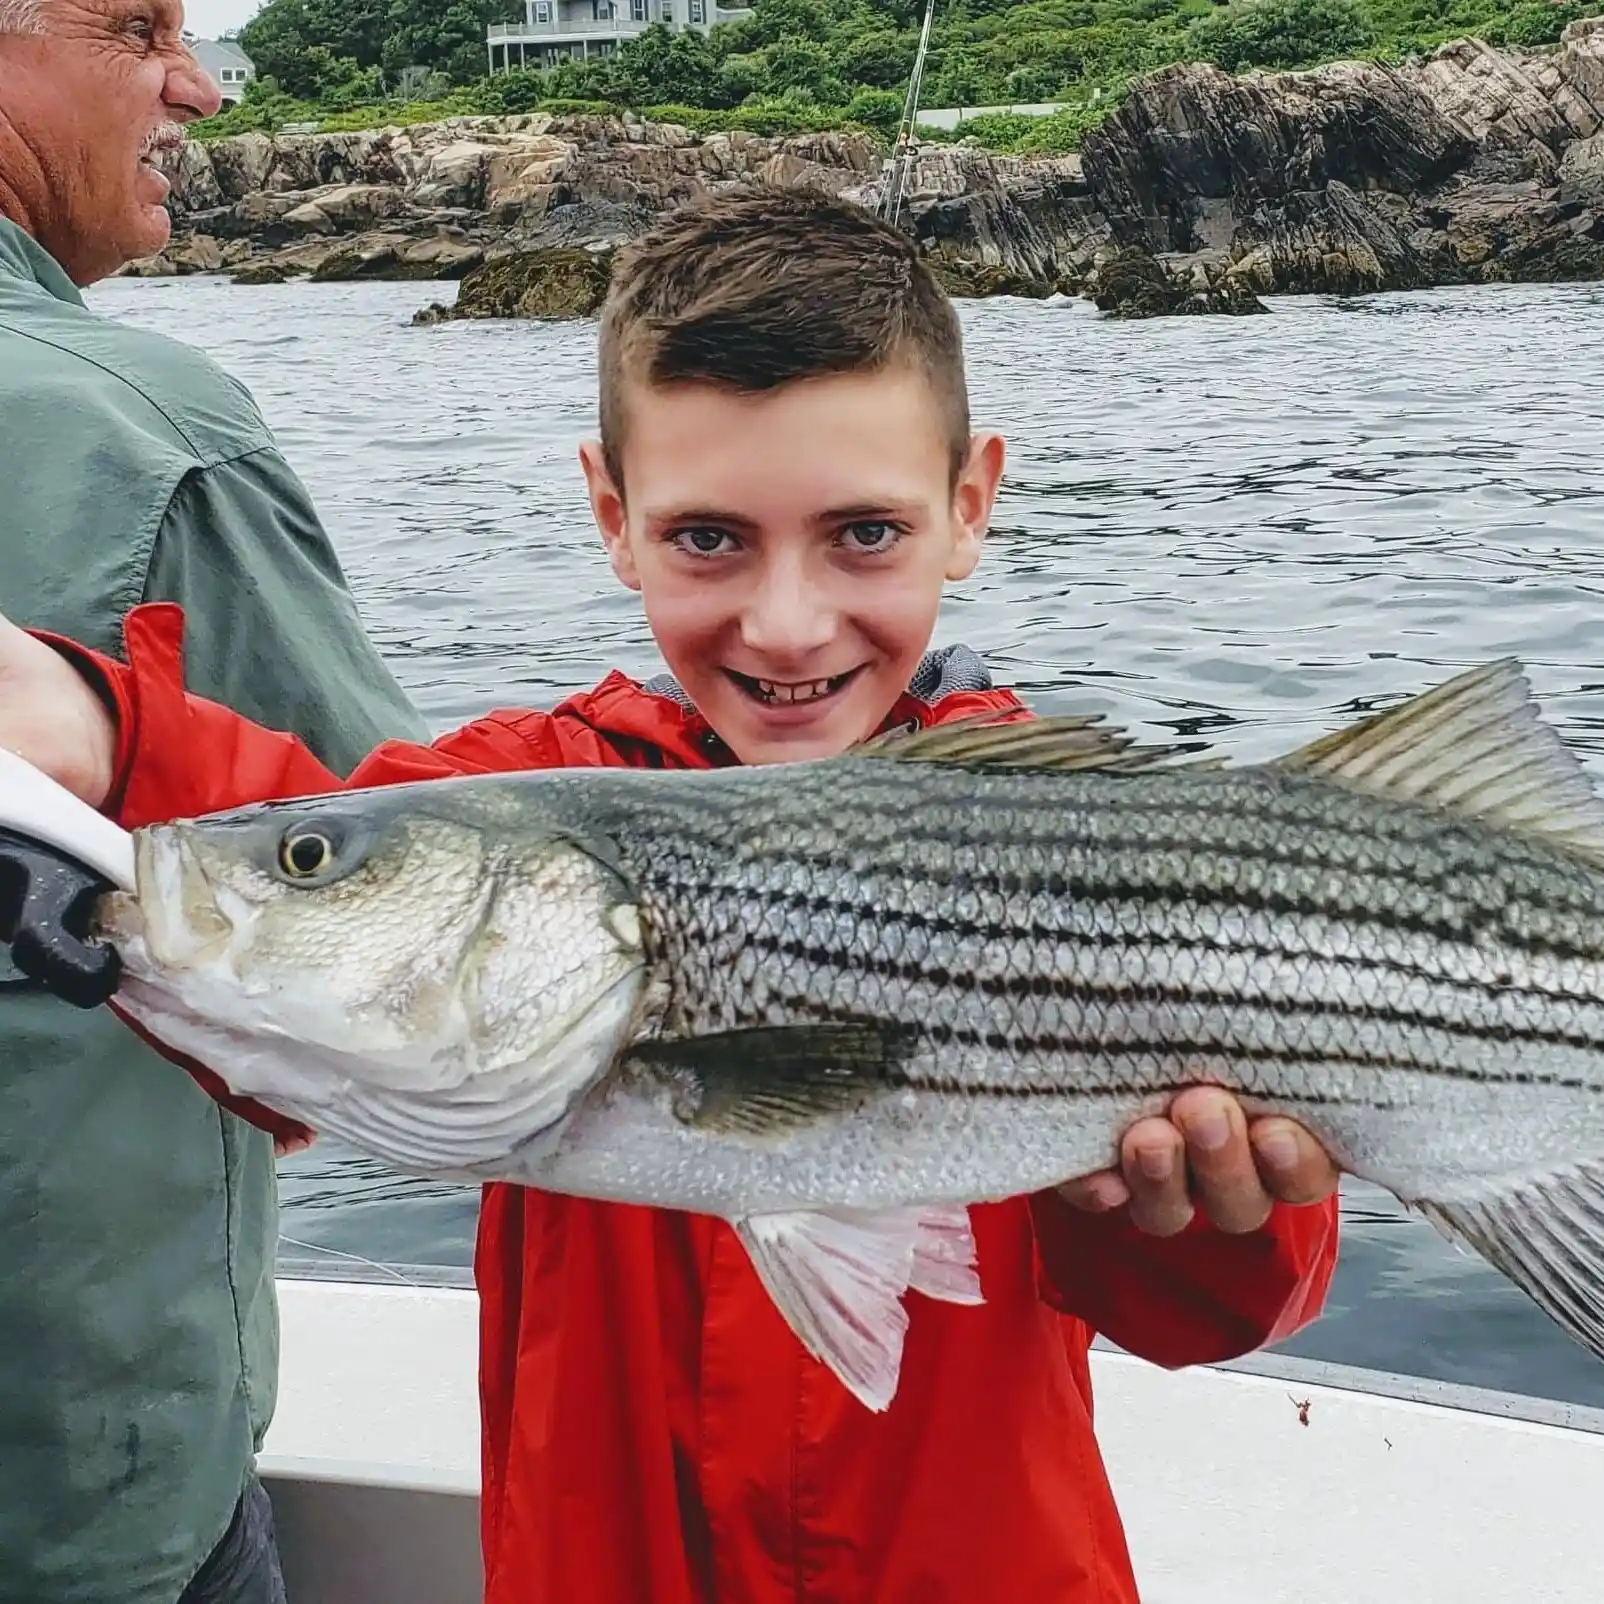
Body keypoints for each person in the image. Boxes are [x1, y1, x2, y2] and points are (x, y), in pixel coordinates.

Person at [0, 188, 1342, 1603]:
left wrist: (1202, 1216)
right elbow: (324, 891)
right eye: (710, 538)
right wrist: (98, 728)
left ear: (970, 505)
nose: (787, 621)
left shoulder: (1076, 831)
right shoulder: (539, 785)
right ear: (612, 516)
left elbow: (1217, 1311)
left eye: (863, 535)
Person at [0, 2, 427, 1600]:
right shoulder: (139, 428)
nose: (198, 81)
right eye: (137, 26)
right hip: (79, 1509)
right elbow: (423, 927)